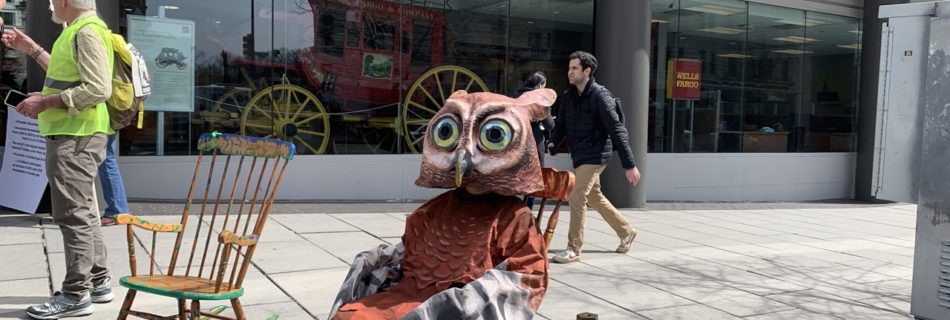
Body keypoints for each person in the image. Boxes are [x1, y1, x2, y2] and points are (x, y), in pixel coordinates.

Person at [3, 0, 116, 317]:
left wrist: (45, 102)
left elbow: (97, 88)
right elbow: (70, 76)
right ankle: (98, 281)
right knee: (84, 212)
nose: (51, 4)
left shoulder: (86, 31)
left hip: (75, 137)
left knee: (72, 216)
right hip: (78, 134)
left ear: (65, 1)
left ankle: (75, 295)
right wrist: (32, 48)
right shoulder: (81, 30)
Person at [547, 51, 641, 264]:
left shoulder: (600, 96)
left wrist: (629, 164)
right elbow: (561, 124)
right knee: (593, 196)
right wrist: (554, 141)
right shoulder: (569, 97)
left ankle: (573, 248)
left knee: (577, 195)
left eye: (574, 68)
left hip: (596, 154)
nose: (569, 72)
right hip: (580, 154)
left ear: (587, 71)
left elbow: (617, 129)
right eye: (569, 68)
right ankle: (626, 231)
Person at [515, 71, 555, 209]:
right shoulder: (538, 100)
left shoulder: (516, 96)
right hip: (534, 142)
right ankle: (527, 209)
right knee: (532, 177)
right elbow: (550, 125)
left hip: (516, 142)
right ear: (540, 85)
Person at [98, 132, 129, 226]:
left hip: (101, 124)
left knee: (106, 158)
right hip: (104, 124)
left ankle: (117, 211)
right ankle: (117, 210)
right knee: (107, 158)